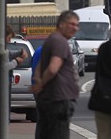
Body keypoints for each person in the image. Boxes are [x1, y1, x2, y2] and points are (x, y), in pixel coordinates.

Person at [31, 10, 80, 139]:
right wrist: (40, 84)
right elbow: (53, 68)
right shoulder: (60, 41)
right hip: (59, 99)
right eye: (72, 24)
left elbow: (39, 65)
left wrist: (37, 81)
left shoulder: (51, 39)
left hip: (48, 98)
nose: (75, 28)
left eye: (77, 25)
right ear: (62, 24)